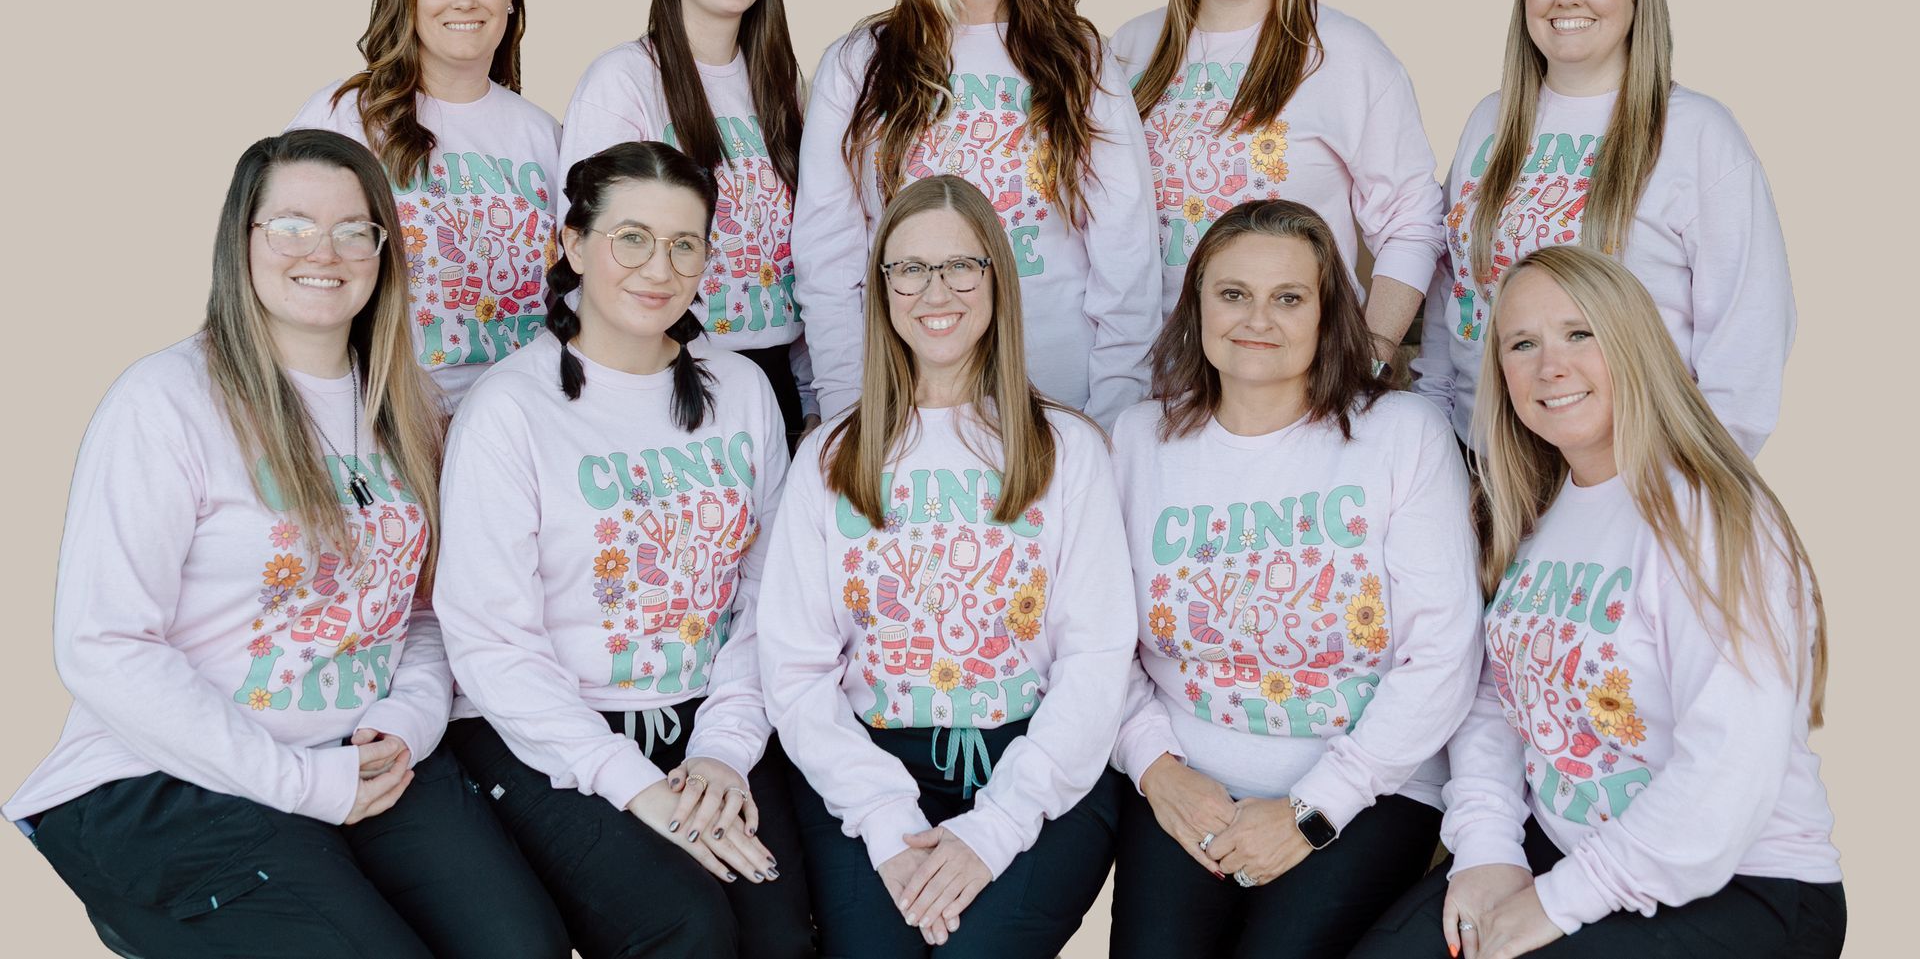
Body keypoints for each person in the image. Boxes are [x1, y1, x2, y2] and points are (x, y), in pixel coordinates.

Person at [5, 130, 563, 957]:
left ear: (383, 251)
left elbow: (431, 612)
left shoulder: (412, 412)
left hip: (364, 763)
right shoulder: (166, 402)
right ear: (244, 242)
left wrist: (407, 719)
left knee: (524, 948)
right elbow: (105, 644)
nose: (323, 252)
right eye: (292, 225)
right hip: (171, 777)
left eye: (353, 230)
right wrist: (299, 783)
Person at [1353, 246, 1843, 959]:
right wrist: (1489, 850)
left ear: (1633, 343)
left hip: (1742, 883)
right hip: (1568, 856)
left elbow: (1727, 768)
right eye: (1523, 343)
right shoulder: (1538, 512)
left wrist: (1557, 901)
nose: (1551, 366)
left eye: (1580, 333)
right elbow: (1494, 698)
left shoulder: (1704, 514)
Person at [434, 142, 814, 959]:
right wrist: (633, 785)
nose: (660, 266)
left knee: (784, 939)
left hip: (708, 714)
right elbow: (490, 642)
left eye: (685, 244)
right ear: (572, 245)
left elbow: (770, 598)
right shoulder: (508, 409)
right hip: (544, 734)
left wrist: (722, 749)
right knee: (686, 926)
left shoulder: (742, 391)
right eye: (631, 237)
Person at [760, 176, 1135, 955]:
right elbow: (795, 671)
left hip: (1038, 765)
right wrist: (888, 821)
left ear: (997, 277)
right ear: (883, 288)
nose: (938, 290)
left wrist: (997, 827)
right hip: (869, 766)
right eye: (911, 268)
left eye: (963, 265)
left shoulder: (1069, 451)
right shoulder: (829, 458)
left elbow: (1096, 660)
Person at [1107, 199, 1479, 958]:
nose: (1257, 319)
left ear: (1327, 312)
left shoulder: (1401, 434)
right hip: (1187, 785)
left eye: (1288, 297)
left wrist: (1316, 806)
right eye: (1233, 293)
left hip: (1367, 789)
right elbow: (1095, 637)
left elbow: (1443, 653)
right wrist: (1153, 766)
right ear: (1197, 305)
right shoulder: (1139, 440)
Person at [792, 0, 1158, 430]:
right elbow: (828, 257)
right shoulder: (861, 60)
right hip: (905, 404)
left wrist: (1117, 405)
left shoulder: (1080, 56)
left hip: (1062, 397)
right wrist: (847, 412)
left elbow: (1127, 246)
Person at [1411, 0, 1792, 455]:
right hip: (1485, 462)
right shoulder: (1490, 120)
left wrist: (1695, 479)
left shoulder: (1696, 133)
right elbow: (1457, 289)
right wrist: (1436, 427)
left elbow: (1750, 324)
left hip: (1633, 470)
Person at [1113, 0, 1444, 366]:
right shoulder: (1130, 47)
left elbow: (1412, 216)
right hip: (1156, 375)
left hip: (1300, 375)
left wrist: (1373, 351)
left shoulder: (1346, 53)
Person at [560, 0, 815, 437]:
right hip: (666, 378)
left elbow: (812, 254)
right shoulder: (624, 81)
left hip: (776, 384)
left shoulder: (784, 87)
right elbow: (594, 256)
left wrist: (812, 393)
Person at [290, 0, 561, 407]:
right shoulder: (348, 116)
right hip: (386, 419)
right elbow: (283, 256)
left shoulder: (545, 135)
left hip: (523, 420)